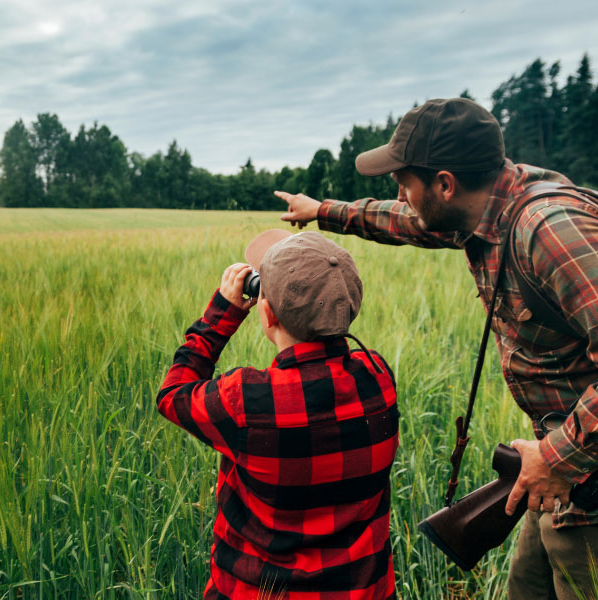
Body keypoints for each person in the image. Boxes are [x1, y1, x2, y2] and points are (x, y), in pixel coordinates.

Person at [275, 97, 598, 599]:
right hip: (560, 474)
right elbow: (406, 221)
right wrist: (322, 212)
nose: (400, 194)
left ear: (445, 184)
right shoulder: (484, 206)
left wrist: (556, 457)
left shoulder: (548, 229)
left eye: (405, 182)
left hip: (579, 472)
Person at [156, 229, 399, 599]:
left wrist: (221, 315)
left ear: (265, 312)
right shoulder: (378, 376)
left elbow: (173, 393)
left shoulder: (245, 401)